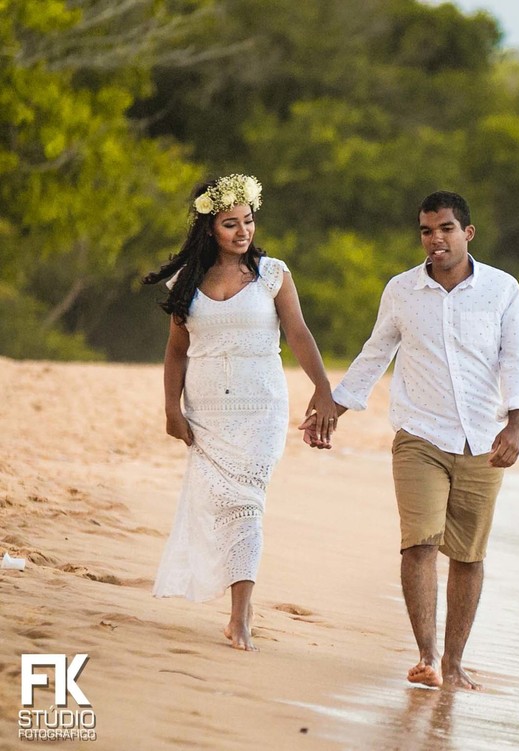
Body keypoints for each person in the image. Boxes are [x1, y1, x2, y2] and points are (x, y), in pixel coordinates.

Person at [302, 190, 519, 689]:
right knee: (419, 543)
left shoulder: (502, 289)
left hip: (481, 439)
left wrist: (516, 422)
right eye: (427, 231)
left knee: (469, 556)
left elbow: (517, 357)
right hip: (420, 435)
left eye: (446, 229)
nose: (436, 240)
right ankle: (427, 656)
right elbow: (376, 352)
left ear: (467, 233)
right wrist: (334, 406)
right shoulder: (402, 291)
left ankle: (454, 662)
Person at [142, 174, 338, 651]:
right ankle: (238, 606)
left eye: (248, 221)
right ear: (210, 228)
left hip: (262, 407)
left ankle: (239, 617)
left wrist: (324, 388)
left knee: (247, 505)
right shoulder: (186, 282)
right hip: (206, 409)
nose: (242, 231)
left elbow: (298, 334)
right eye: (230, 224)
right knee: (221, 505)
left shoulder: (273, 275)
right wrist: (171, 408)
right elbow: (176, 351)